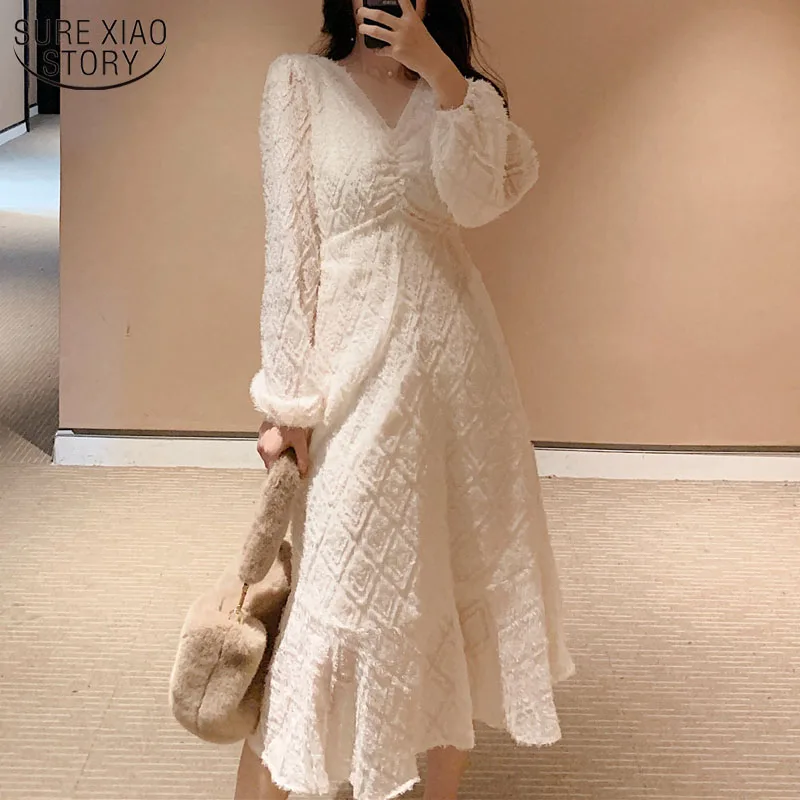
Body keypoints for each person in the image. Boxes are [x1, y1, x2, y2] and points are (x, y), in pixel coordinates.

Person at [234, 1, 576, 798]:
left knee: (454, 581)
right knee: (339, 593)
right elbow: (291, 254)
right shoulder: (300, 85)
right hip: (352, 379)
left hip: (460, 384)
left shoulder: (459, 98)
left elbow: (478, 202)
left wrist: (442, 72)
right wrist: (288, 403)